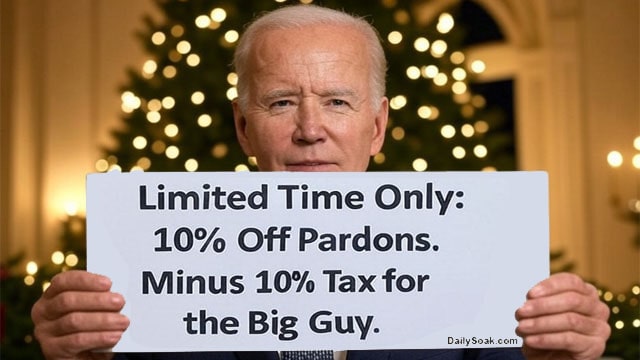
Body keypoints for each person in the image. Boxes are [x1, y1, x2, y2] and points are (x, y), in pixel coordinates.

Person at [31, 4, 611, 360]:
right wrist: (81, 358)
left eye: (337, 102)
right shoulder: (144, 277)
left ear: (378, 125)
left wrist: (559, 356)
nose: (310, 130)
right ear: (243, 128)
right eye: (282, 102)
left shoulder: (484, 268)